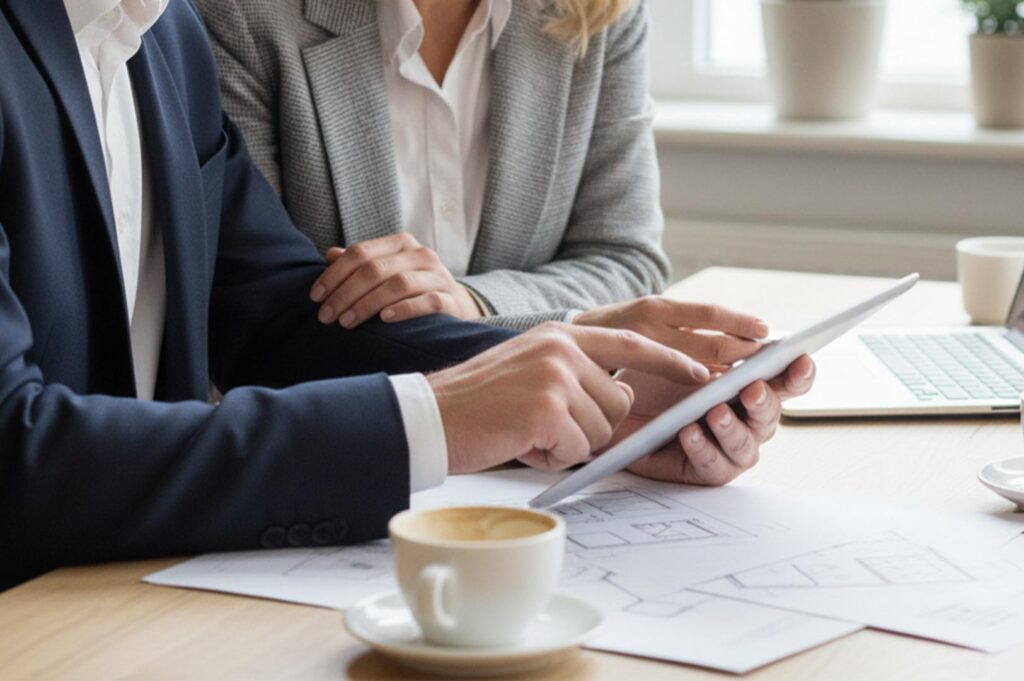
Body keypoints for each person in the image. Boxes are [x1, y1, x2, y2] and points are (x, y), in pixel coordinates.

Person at [0, 0, 814, 590]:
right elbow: (15, 451)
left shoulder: (161, 31)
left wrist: (586, 388)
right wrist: (431, 418)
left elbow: (282, 315)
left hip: (127, 594)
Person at [195, 0, 753, 361]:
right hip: (346, 443)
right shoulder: (244, 14)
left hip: (537, 454)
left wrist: (475, 304)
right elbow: (260, 317)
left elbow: (625, 260)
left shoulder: (599, 12)